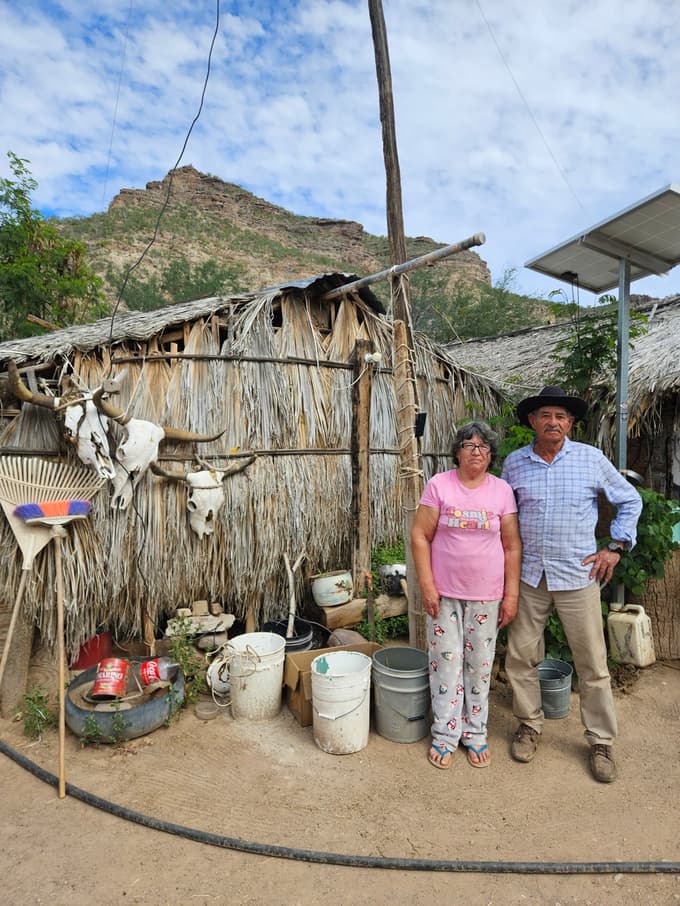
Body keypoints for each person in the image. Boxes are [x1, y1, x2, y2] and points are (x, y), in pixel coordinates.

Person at [501, 386, 643, 783]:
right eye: (545, 415)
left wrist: (614, 547)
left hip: (578, 576)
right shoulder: (515, 464)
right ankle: (529, 724)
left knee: (593, 663)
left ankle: (600, 741)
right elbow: (501, 514)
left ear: (570, 424)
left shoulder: (590, 459)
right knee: (521, 657)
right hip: (530, 575)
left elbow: (630, 500)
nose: (553, 422)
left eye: (561, 417)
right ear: (532, 421)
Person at [411, 420, 521, 770]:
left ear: (491, 455)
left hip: (487, 596)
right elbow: (419, 536)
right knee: (444, 662)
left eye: (484, 447)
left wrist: (511, 594)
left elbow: (512, 545)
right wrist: (427, 586)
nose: (477, 452)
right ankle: (445, 733)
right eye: (470, 445)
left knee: (479, 667)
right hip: (444, 595)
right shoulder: (439, 485)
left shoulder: (501, 490)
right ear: (457, 451)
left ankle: (475, 732)